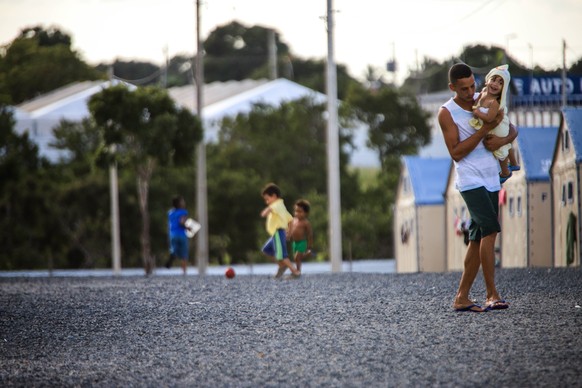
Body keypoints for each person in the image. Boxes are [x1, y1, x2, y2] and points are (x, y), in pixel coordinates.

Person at [438, 63, 517, 312]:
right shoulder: (446, 112)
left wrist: (502, 140)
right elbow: (457, 153)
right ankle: (492, 294)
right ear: (452, 87)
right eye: (464, 88)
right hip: (470, 181)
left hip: (491, 178)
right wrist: (484, 128)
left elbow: (511, 128)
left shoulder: (484, 98)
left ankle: (461, 297)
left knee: (475, 238)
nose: (471, 91)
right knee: (490, 230)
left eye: (473, 84)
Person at [469, 64, 520, 182]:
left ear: (504, 88)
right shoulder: (482, 93)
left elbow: (489, 118)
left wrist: (477, 113)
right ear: (487, 80)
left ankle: (505, 172)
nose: (495, 84)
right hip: (499, 126)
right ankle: (514, 163)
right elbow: (477, 103)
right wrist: (475, 107)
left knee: (501, 151)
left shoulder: (495, 102)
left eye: (500, 82)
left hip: (498, 128)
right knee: (506, 146)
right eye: (493, 79)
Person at [260, 183, 301, 279]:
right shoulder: (281, 206)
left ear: (274, 196)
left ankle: (295, 272)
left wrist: (265, 212)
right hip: (276, 234)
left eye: (267, 199)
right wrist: (289, 233)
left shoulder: (276, 205)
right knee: (267, 250)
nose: (267, 202)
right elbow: (290, 219)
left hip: (278, 233)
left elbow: (268, 211)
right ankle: (282, 265)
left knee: (282, 255)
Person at [166, 195, 192, 275]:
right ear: (179, 204)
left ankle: (173, 254)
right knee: (184, 253)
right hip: (181, 234)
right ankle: (184, 271)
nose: (184, 202)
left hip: (172, 234)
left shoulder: (170, 213)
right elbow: (181, 222)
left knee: (174, 249)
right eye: (182, 201)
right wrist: (188, 228)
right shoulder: (183, 212)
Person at [287, 199, 314, 272]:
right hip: (295, 243)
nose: (297, 213)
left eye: (300, 212)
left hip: (302, 242)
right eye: (296, 211)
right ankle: (305, 256)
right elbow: (290, 229)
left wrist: (309, 246)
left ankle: (298, 271)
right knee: (296, 259)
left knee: (297, 258)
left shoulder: (306, 223)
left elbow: (309, 234)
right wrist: (288, 235)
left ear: (306, 213)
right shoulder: (293, 220)